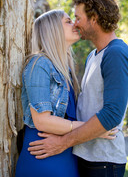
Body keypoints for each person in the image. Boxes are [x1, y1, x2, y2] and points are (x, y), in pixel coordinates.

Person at [28, 0, 128, 177]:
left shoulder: (116, 53)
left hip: (104, 161)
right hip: (86, 155)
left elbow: (112, 115)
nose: (76, 23)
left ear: (94, 18)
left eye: (78, 18)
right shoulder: (93, 56)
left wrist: (62, 142)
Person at [15, 9, 116, 177]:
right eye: (68, 21)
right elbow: (42, 121)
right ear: (53, 30)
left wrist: (93, 129)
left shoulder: (65, 70)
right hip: (42, 155)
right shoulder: (38, 64)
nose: (75, 24)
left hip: (65, 153)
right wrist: (95, 128)